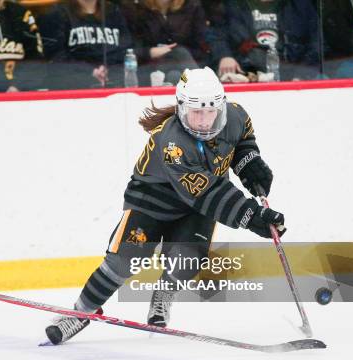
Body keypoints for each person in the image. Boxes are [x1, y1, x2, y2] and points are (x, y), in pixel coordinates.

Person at [44, 67, 286, 345]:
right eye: (196, 112)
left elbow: (242, 141)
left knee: (188, 260)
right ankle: (79, 314)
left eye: (210, 112)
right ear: (182, 108)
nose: (204, 121)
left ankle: (163, 294)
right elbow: (208, 192)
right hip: (152, 198)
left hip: (196, 206)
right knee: (123, 260)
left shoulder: (236, 115)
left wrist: (250, 164)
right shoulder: (173, 143)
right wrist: (252, 217)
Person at [208, 0, 320, 82]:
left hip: (291, 79)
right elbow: (216, 34)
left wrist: (302, 75)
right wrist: (224, 56)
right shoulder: (232, 5)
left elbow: (318, 44)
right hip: (244, 79)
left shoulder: (301, 5)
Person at [39, 0, 134, 89]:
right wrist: (89, 71)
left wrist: (108, 68)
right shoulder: (58, 14)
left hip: (113, 85)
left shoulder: (114, 12)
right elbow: (56, 57)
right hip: (73, 89)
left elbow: (127, 50)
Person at [118, 0, 206, 85]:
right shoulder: (137, 9)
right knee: (180, 55)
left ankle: (195, 85)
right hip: (151, 68)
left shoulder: (191, 6)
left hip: (182, 69)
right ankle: (201, 86)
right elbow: (130, 50)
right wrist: (151, 52)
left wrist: (173, 52)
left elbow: (200, 48)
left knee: (175, 75)